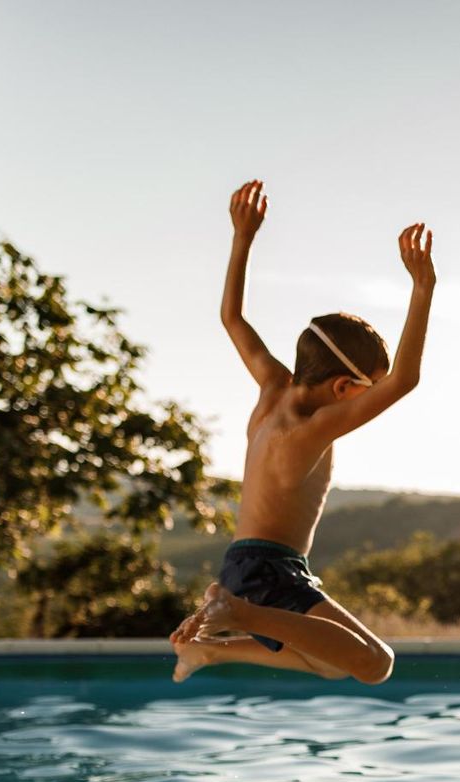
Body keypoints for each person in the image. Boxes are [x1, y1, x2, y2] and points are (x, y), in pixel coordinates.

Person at [170, 180, 435, 685]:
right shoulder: (313, 427)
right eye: (366, 389)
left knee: (333, 662)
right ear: (342, 386)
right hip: (269, 568)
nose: (369, 399)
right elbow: (406, 379)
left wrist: (242, 236)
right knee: (376, 664)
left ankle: (211, 649)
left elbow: (232, 317)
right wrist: (422, 289)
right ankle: (234, 614)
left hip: (249, 561)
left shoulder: (272, 387)